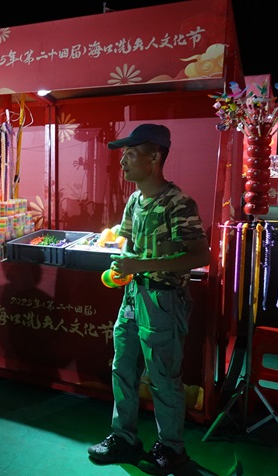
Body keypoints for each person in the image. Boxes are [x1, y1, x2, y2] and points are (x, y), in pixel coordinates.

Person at [87, 124, 211, 475]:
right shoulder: (134, 200)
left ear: (154, 157)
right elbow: (128, 242)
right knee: (123, 368)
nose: (123, 161)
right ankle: (123, 437)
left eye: (131, 154)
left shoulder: (178, 202)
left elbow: (200, 255)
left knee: (163, 377)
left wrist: (140, 265)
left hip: (164, 302)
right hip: (133, 296)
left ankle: (171, 448)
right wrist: (121, 264)